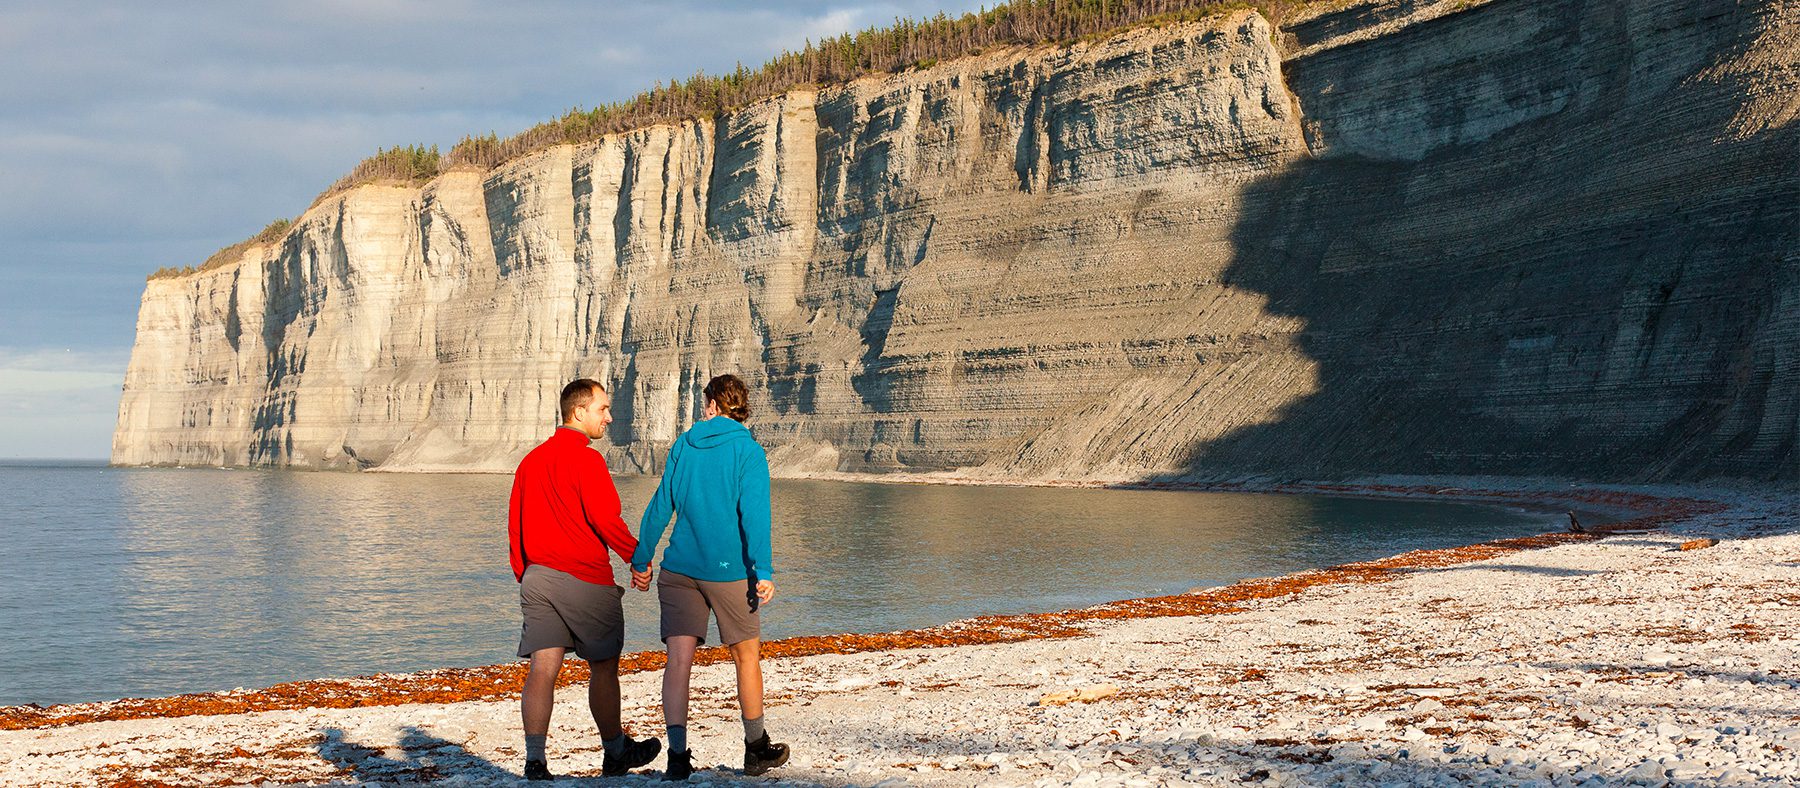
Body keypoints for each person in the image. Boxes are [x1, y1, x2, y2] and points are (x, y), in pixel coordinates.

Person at [631, 374, 789, 781]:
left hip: (679, 570)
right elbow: (755, 516)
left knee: (678, 662)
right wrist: (764, 570)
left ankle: (677, 758)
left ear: (715, 404)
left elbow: (660, 503)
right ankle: (756, 750)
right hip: (730, 573)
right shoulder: (749, 452)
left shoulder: (684, 445)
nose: (704, 410)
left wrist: (641, 558)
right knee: (746, 656)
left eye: (707, 403)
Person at [508, 378, 661, 781]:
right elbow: (605, 519)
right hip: (584, 579)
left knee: (543, 667)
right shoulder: (587, 460)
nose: (609, 417)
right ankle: (615, 752)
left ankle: (535, 761)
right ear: (578, 412)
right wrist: (638, 558)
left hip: (537, 578)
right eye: (602, 409)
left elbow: (515, 528)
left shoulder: (530, 461)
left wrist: (527, 575)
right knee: (604, 666)